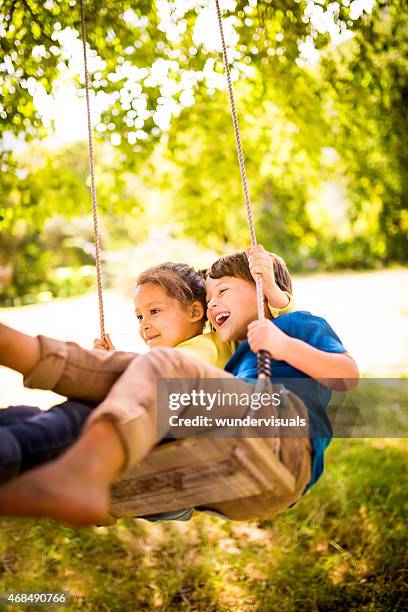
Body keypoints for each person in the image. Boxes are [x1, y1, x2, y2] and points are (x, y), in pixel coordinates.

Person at [0, 248, 358, 526]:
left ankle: (22, 353)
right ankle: (20, 443)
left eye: (223, 291)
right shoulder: (234, 357)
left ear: (264, 289)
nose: (213, 303)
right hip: (230, 477)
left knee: (163, 369)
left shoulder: (292, 325)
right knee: (115, 386)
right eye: (210, 297)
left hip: (284, 444)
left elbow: (345, 374)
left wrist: (280, 324)